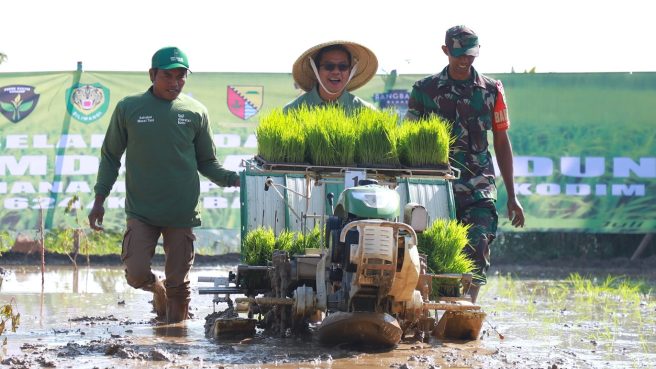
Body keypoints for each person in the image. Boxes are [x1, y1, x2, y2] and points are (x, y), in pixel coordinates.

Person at [88, 46, 240, 323]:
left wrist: (233, 179)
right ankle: (157, 289)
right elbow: (110, 156)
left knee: (179, 286)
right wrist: (99, 200)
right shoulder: (129, 108)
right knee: (135, 274)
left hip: (181, 213)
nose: (175, 83)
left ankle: (176, 345)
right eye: (168, 76)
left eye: (181, 76)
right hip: (142, 212)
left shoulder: (195, 112)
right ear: (152, 74)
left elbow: (207, 162)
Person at [405, 25, 525, 303]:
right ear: (446, 51)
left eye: (471, 54)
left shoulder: (492, 90)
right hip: (435, 185)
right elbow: (409, 139)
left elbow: (501, 141)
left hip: (478, 184)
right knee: (434, 248)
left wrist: (512, 196)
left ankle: (467, 305)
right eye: (459, 54)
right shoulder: (425, 90)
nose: (465, 60)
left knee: (480, 242)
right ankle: (430, 304)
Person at [283, 40, 378, 114]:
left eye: (343, 67)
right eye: (329, 66)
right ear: (316, 70)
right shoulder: (291, 111)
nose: (336, 72)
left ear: (350, 71)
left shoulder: (367, 112)